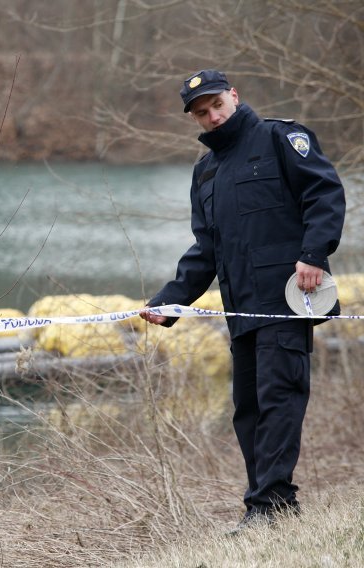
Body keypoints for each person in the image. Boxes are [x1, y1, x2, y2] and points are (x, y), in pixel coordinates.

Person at [139, 69, 346, 531]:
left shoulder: (280, 138)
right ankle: (271, 507)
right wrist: (171, 300)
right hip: (241, 311)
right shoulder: (205, 172)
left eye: (216, 105)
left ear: (234, 96)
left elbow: (325, 194)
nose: (212, 116)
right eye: (200, 112)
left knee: (278, 399)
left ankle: (269, 504)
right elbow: (205, 251)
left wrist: (313, 253)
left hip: (288, 302)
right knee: (248, 410)